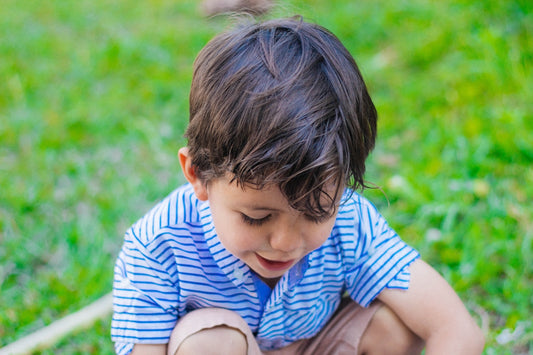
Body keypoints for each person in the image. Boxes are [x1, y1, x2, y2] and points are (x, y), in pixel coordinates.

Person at [111, 17, 485, 355]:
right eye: (257, 217)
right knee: (209, 343)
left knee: (397, 328)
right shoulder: (158, 246)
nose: (286, 243)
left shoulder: (352, 224)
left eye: (317, 212)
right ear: (197, 174)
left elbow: (455, 329)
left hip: (313, 342)